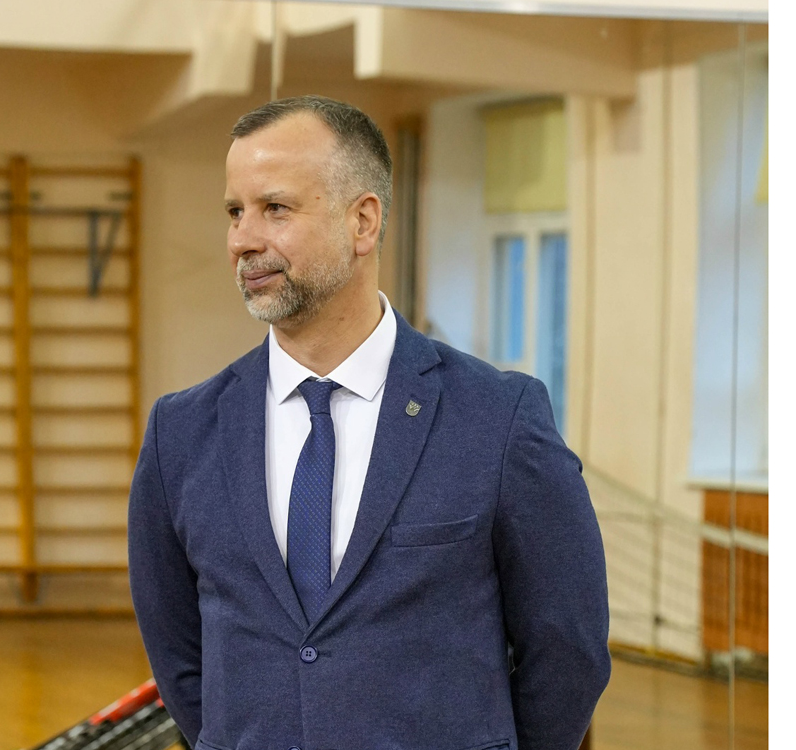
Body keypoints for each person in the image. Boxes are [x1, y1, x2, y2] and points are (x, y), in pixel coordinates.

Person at [128, 95, 610, 750]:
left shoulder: (497, 420)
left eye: (275, 208)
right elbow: (179, 659)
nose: (243, 239)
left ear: (363, 222)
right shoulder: (181, 433)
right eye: (235, 212)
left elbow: (570, 649)